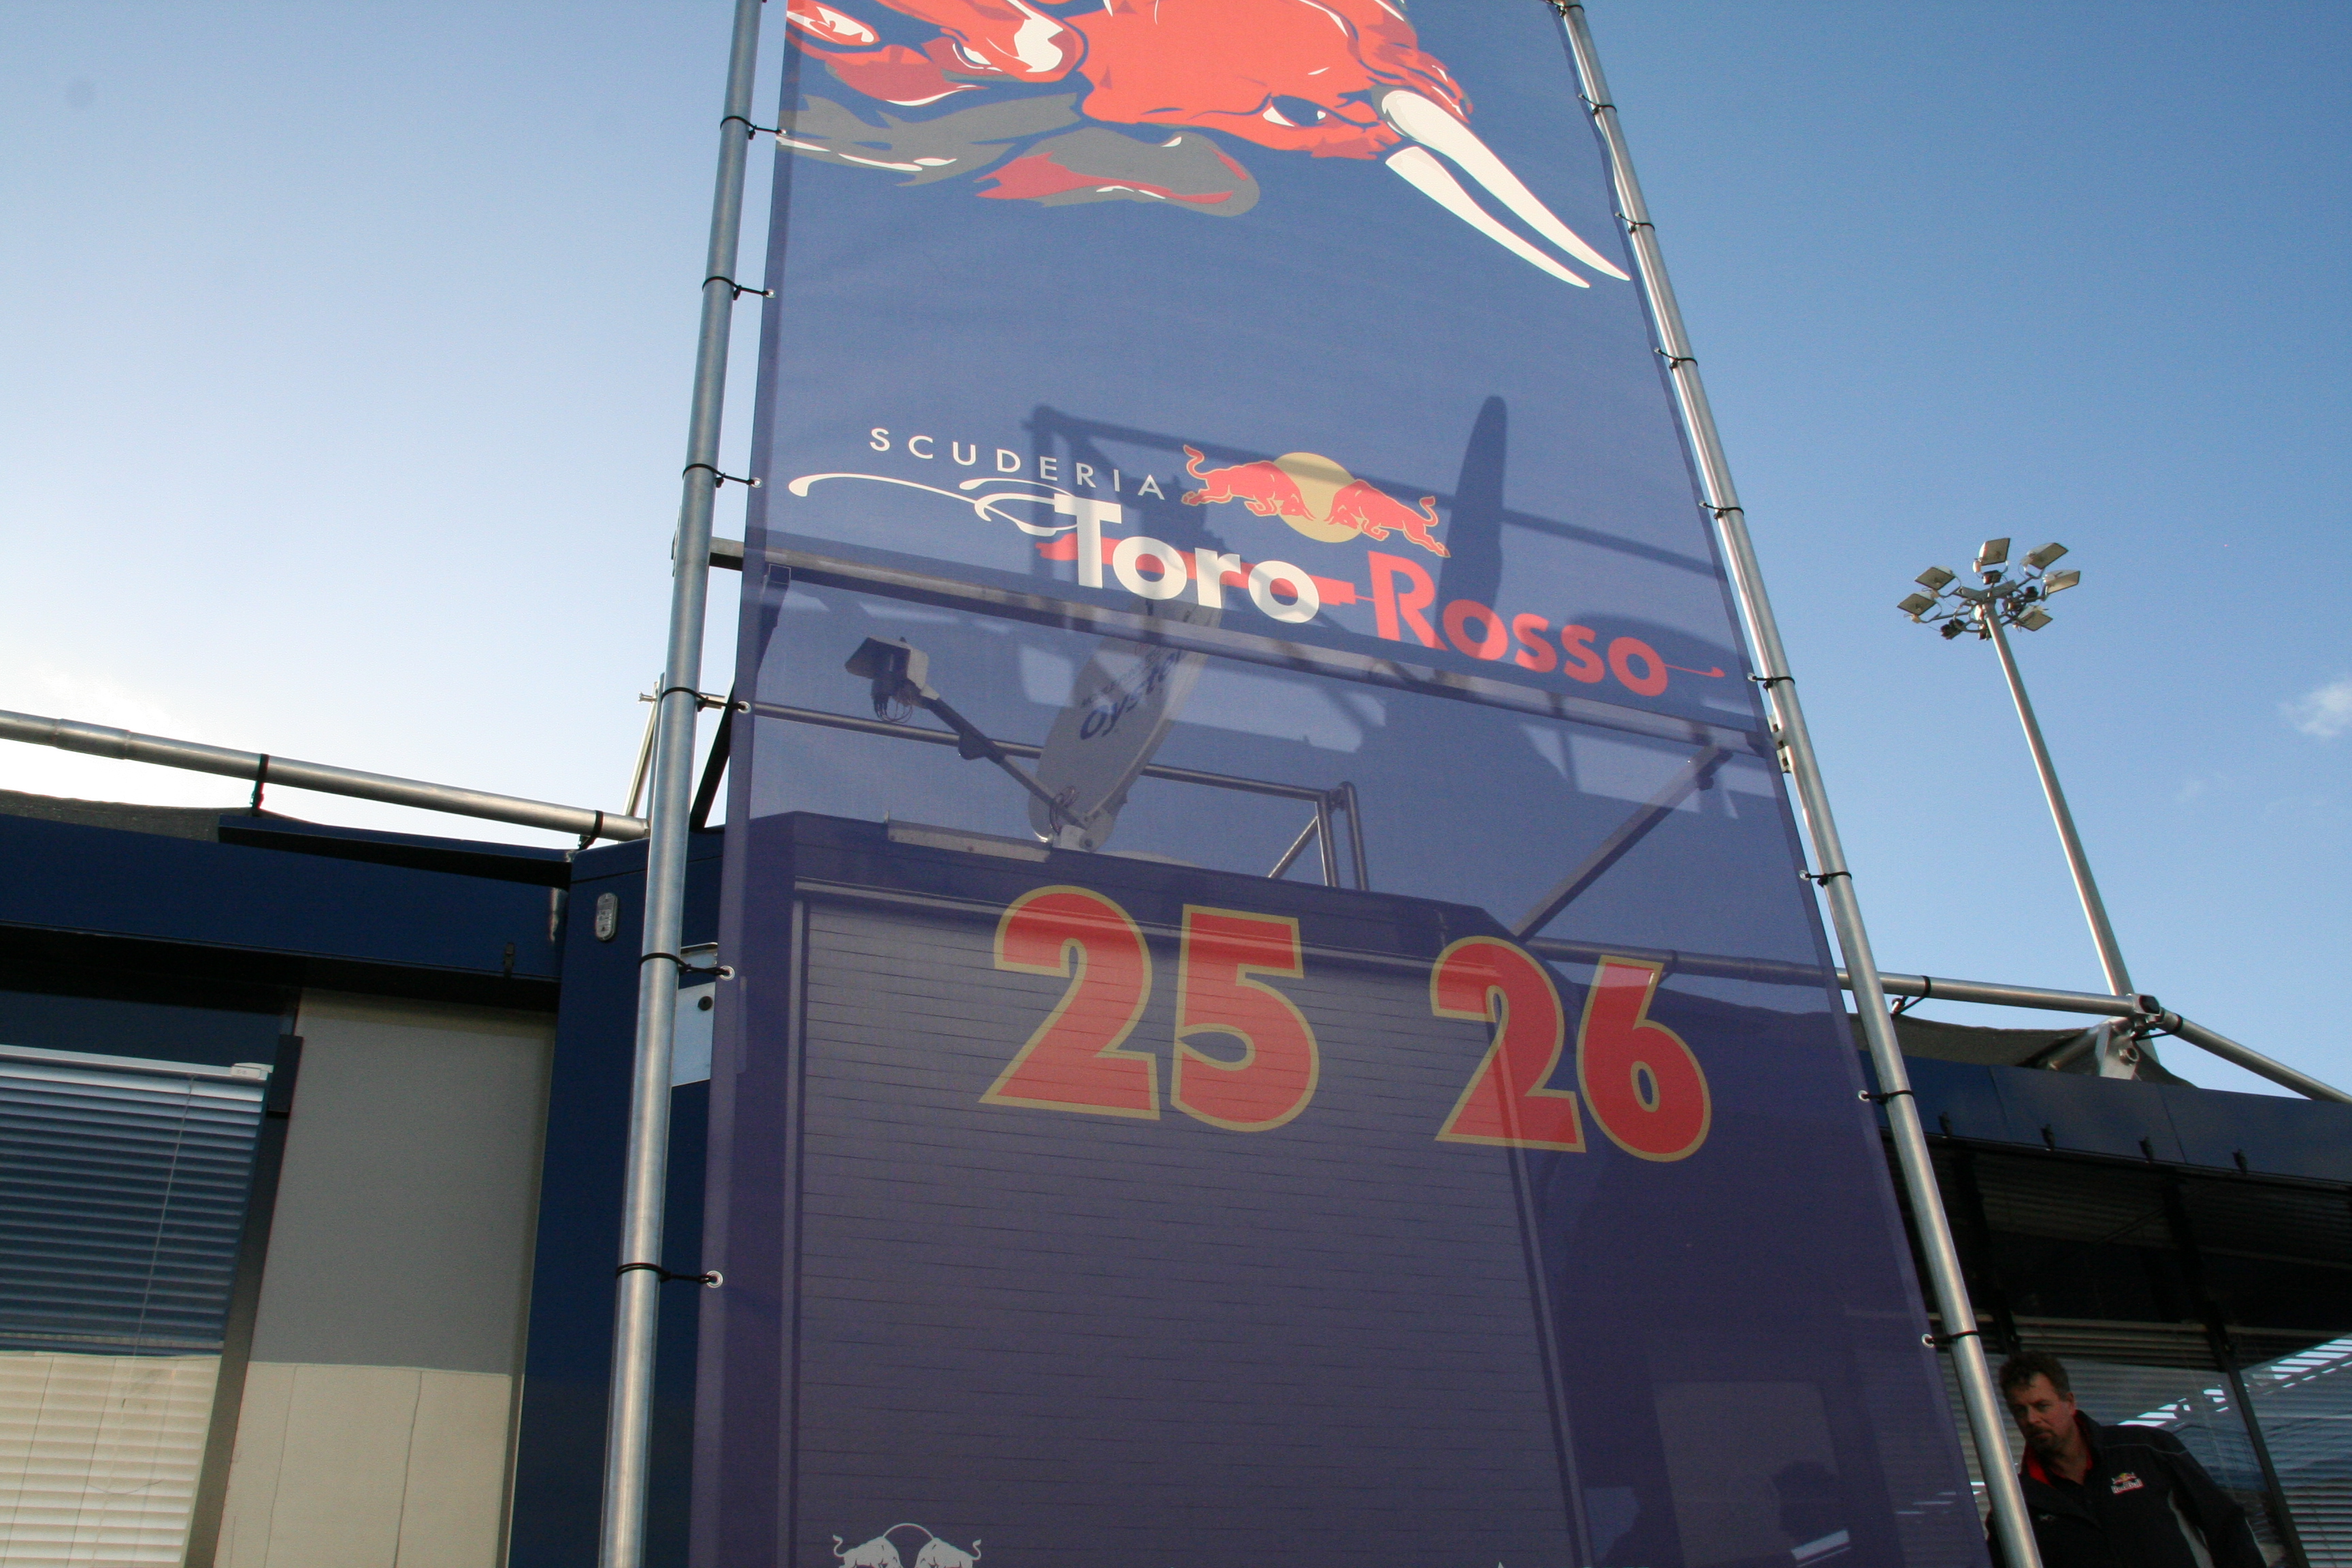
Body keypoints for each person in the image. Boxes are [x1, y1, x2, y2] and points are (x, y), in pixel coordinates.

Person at [1995, 1350, 2264, 1568]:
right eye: (2020, 1411)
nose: (2032, 1419)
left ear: (2070, 1402)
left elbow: (2226, 1525)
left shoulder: (2146, 1450)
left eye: (2042, 1406)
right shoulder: (2017, 1501)